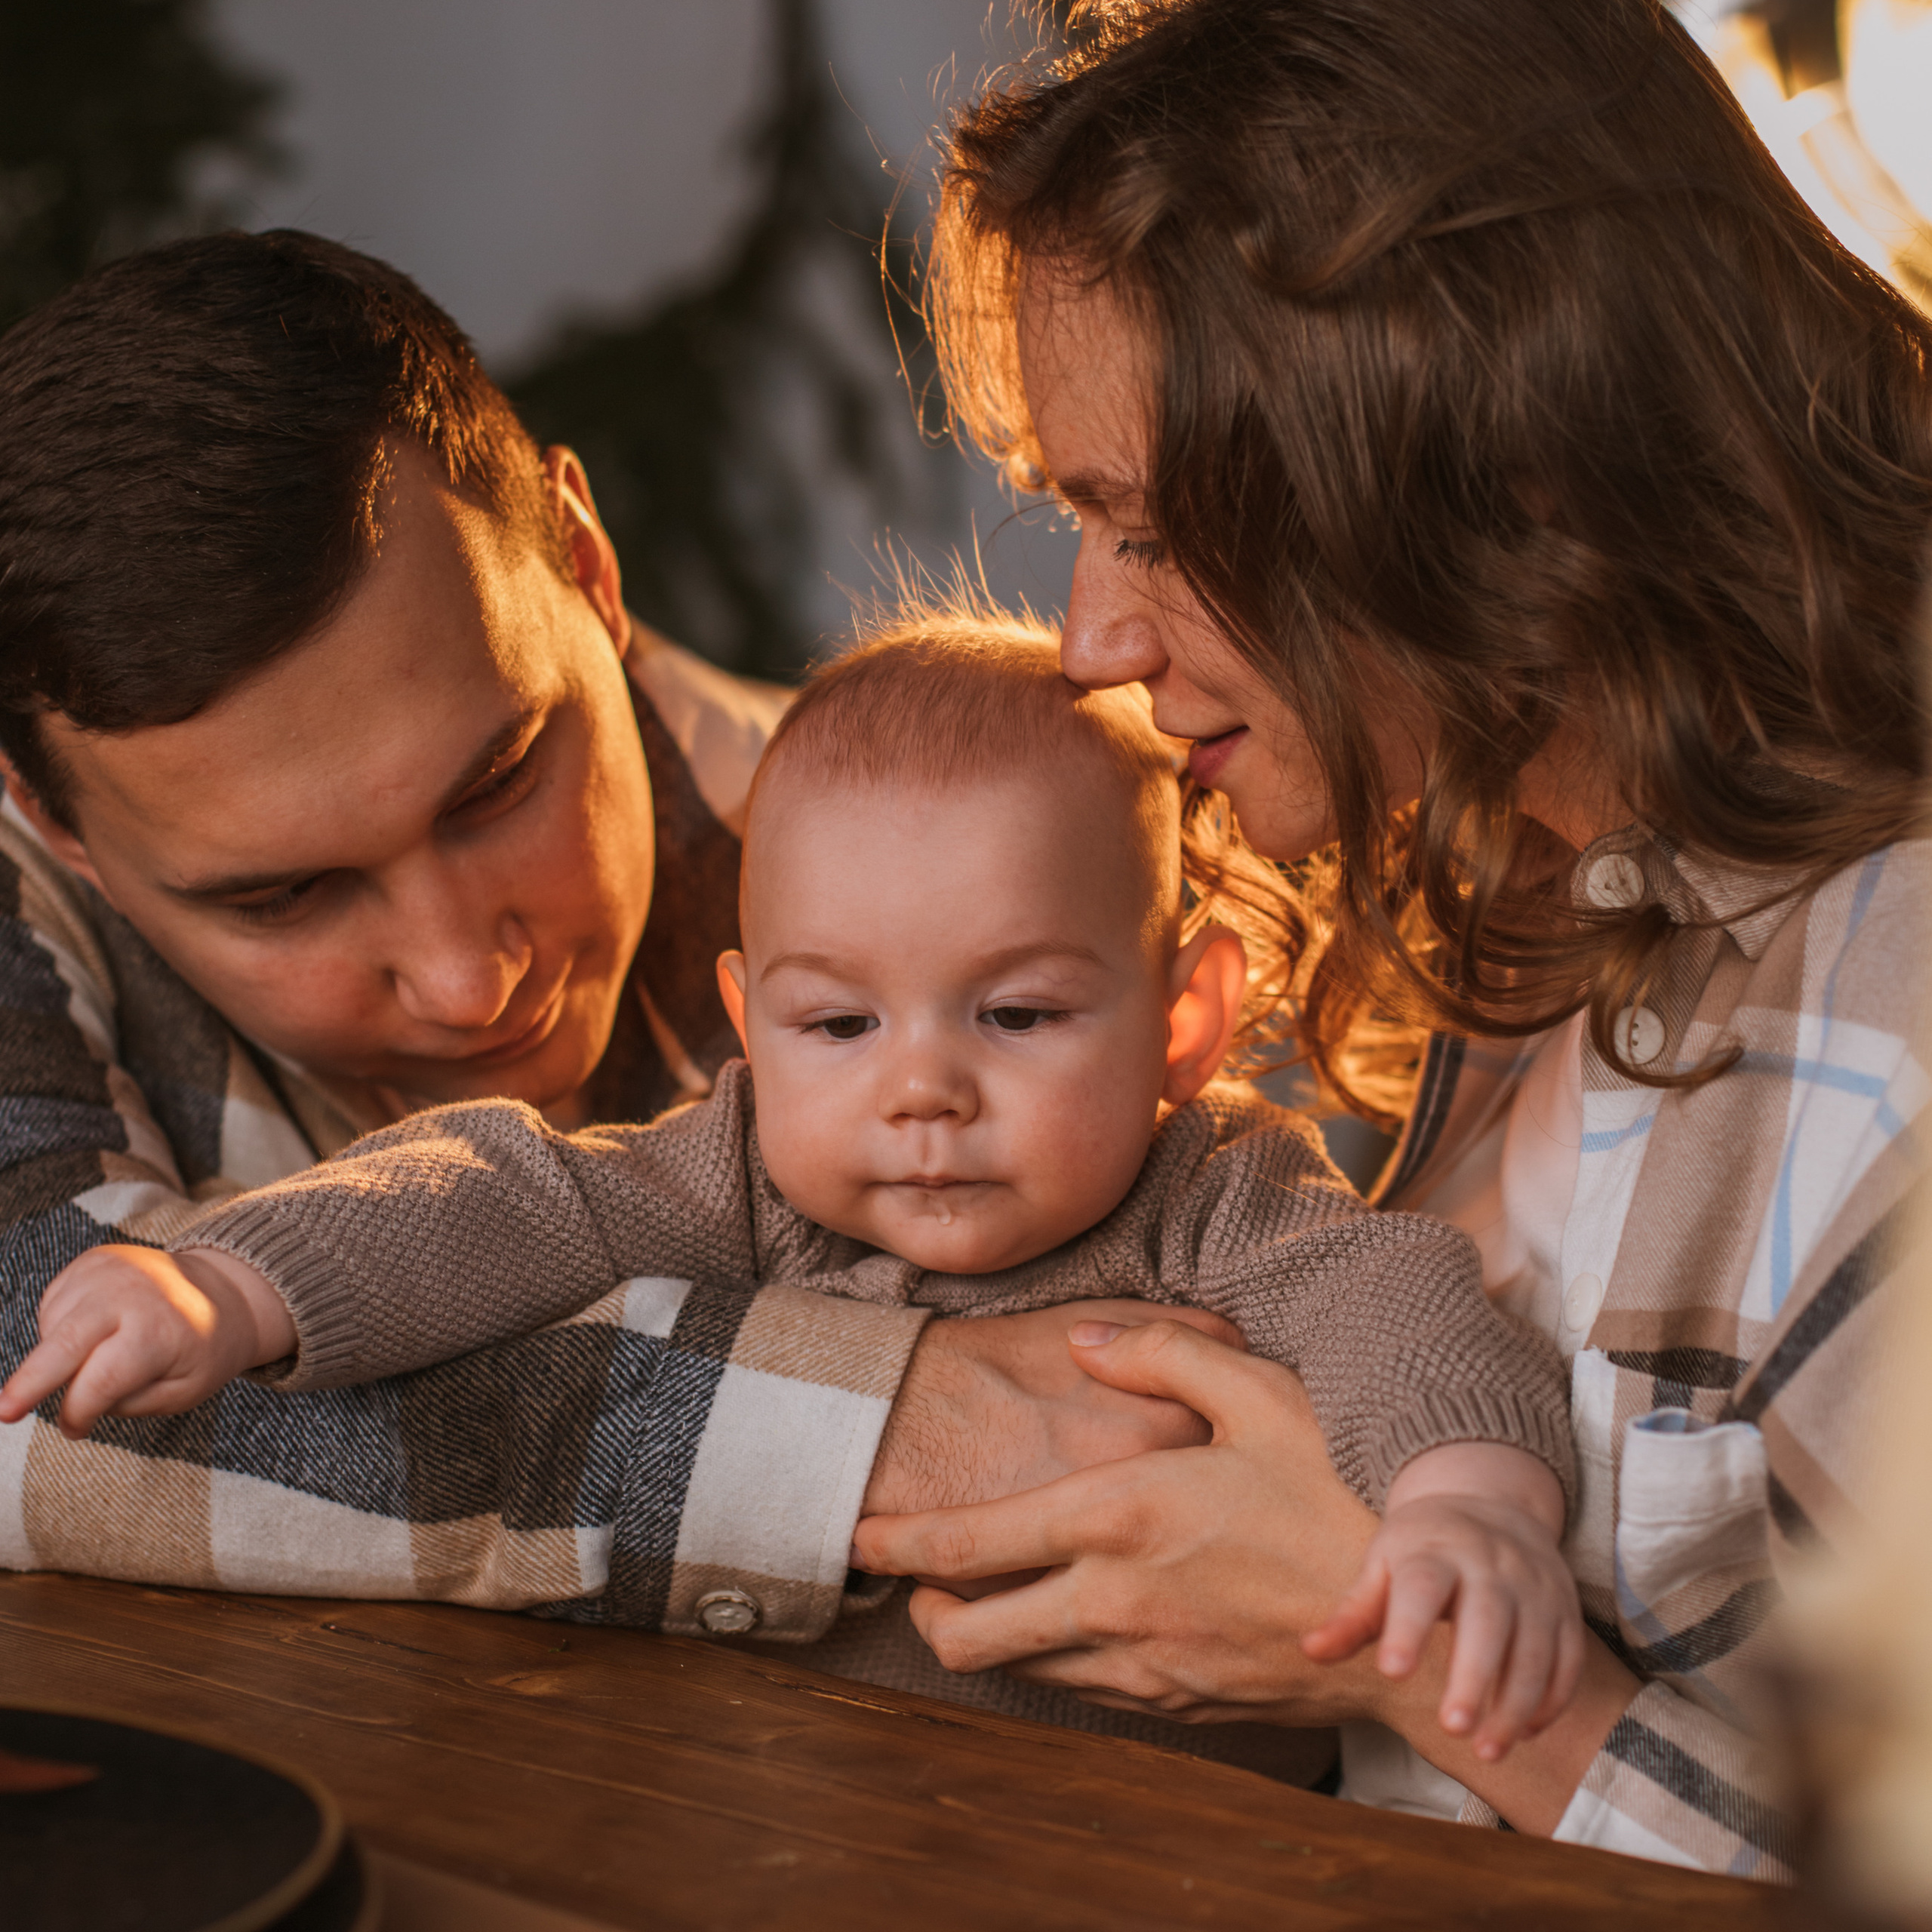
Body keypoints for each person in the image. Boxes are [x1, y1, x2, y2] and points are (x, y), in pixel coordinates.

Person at [848, 0, 1932, 1882]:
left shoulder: (1887, 1043)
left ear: (1482, 466)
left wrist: (1394, 1646)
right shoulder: (1529, 889)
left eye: (1147, 527)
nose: (1092, 641)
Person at [2, 617, 1583, 1782]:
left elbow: (1400, 1299)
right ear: (754, 1022)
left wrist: (1467, 1501)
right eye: (841, 1023)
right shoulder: (748, 1170)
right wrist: (233, 1283)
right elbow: (509, 1192)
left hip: (1169, 1839)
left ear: (1183, 1014)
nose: (922, 1089)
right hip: (801, 1805)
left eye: (1016, 1013)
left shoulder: (1216, 1189)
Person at [0, 230, 1231, 1634]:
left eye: (502, 782)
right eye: (282, 897)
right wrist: (868, 1423)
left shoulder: (1015, 866)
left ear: (585, 561)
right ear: (50, 817)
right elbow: (16, 1390)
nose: (473, 978)